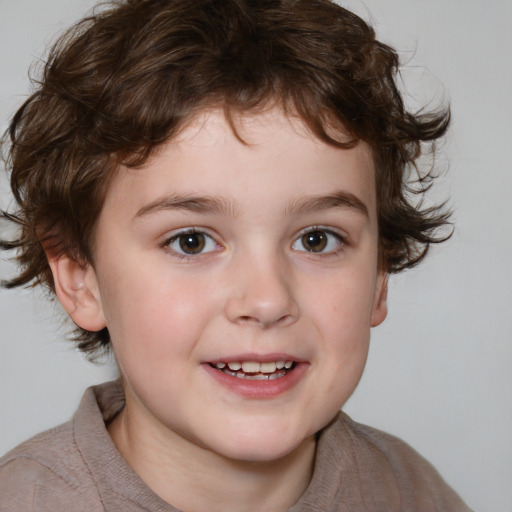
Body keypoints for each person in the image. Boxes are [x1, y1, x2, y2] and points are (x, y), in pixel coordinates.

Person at [0, 0, 472, 510]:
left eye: (317, 239)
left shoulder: (412, 493)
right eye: (191, 241)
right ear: (78, 277)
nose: (267, 301)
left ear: (379, 274)